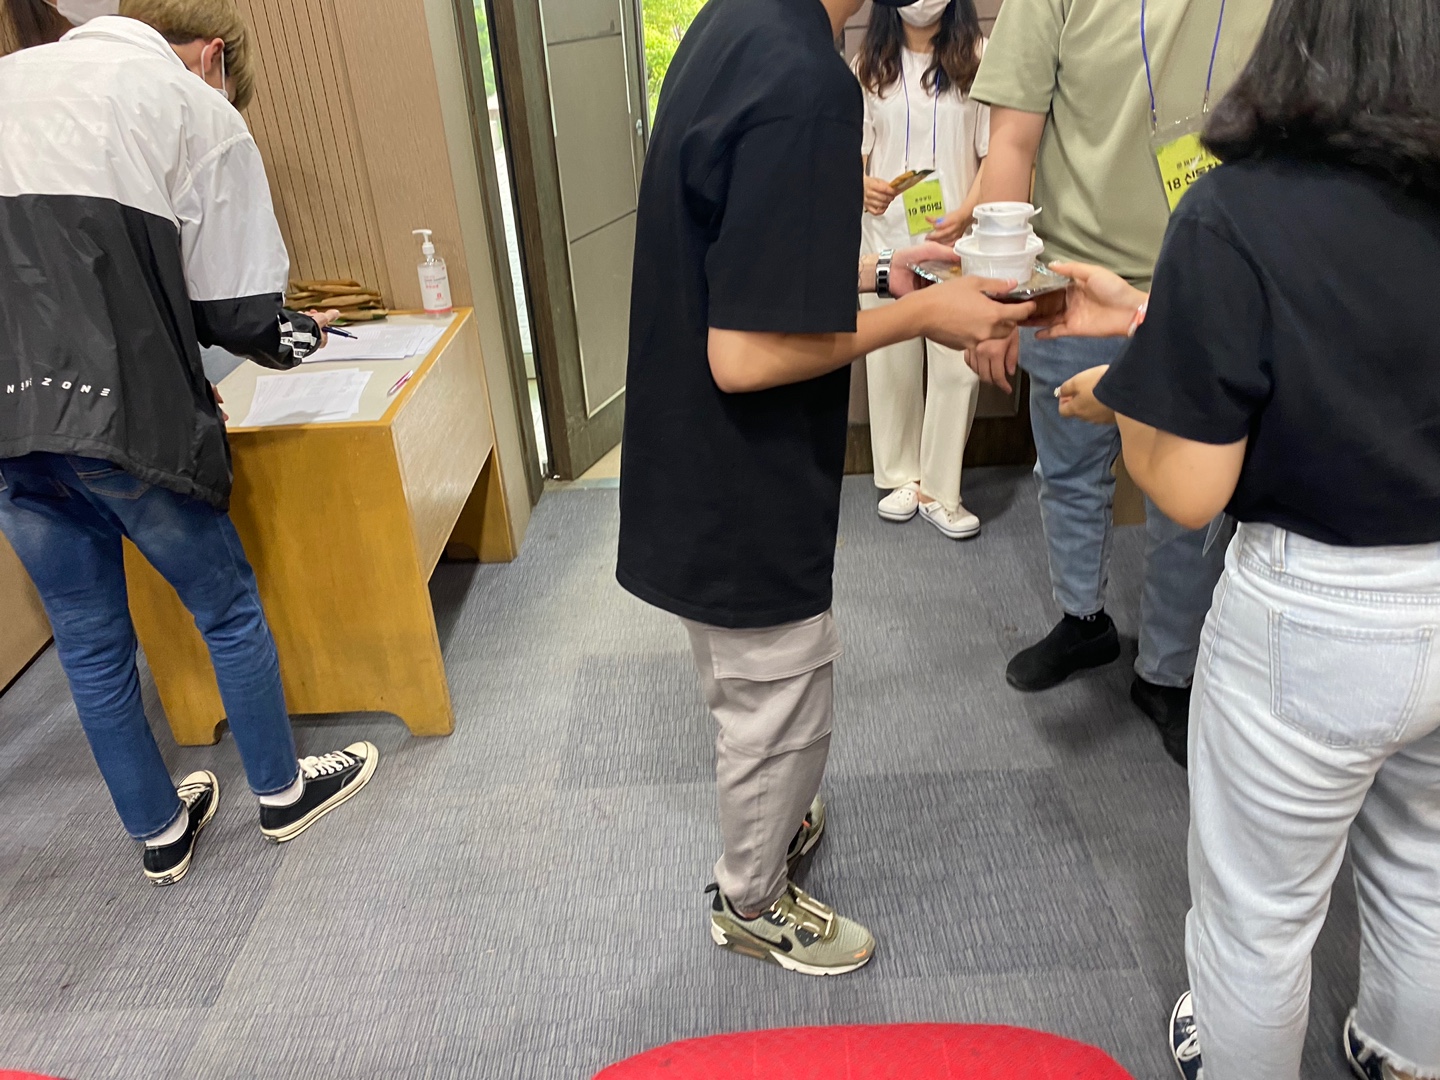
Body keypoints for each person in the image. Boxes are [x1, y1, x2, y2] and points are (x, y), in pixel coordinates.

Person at [1041, 0, 1440, 1073]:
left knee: (1259, 913)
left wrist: (1122, 397)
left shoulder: (1238, 210)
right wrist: (1152, 313)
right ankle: (1405, 1054)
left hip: (1315, 615)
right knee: (1428, 863)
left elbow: (1188, 489)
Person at [617, 0, 1035, 976]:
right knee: (779, 694)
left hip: (690, 451)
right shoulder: (806, 80)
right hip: (740, 471)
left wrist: (883, 274)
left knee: (749, 685)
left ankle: (774, 820)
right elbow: (746, 355)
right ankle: (751, 899)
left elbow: (748, 252)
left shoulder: (741, 24)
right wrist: (923, 317)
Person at [0, 0, 378, 888]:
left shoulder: (9, 81)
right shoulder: (189, 105)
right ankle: (282, 792)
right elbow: (241, 316)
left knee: (89, 640)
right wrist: (306, 333)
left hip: (11, 428)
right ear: (212, 55)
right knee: (226, 609)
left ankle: (160, 831)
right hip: (131, 424)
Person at [964, 0, 1270, 765]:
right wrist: (997, 300)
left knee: (1190, 502)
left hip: (1211, 279)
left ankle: (1169, 670)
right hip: (1072, 283)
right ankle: (1082, 619)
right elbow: (1012, 141)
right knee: (1067, 471)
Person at [854, 0, 989, 539]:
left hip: (956, 240)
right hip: (885, 239)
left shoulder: (979, 57)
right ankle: (900, 476)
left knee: (959, 366)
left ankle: (940, 488)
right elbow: (854, 152)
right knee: (890, 359)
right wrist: (861, 185)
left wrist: (967, 212)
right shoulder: (868, 65)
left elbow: (994, 152)